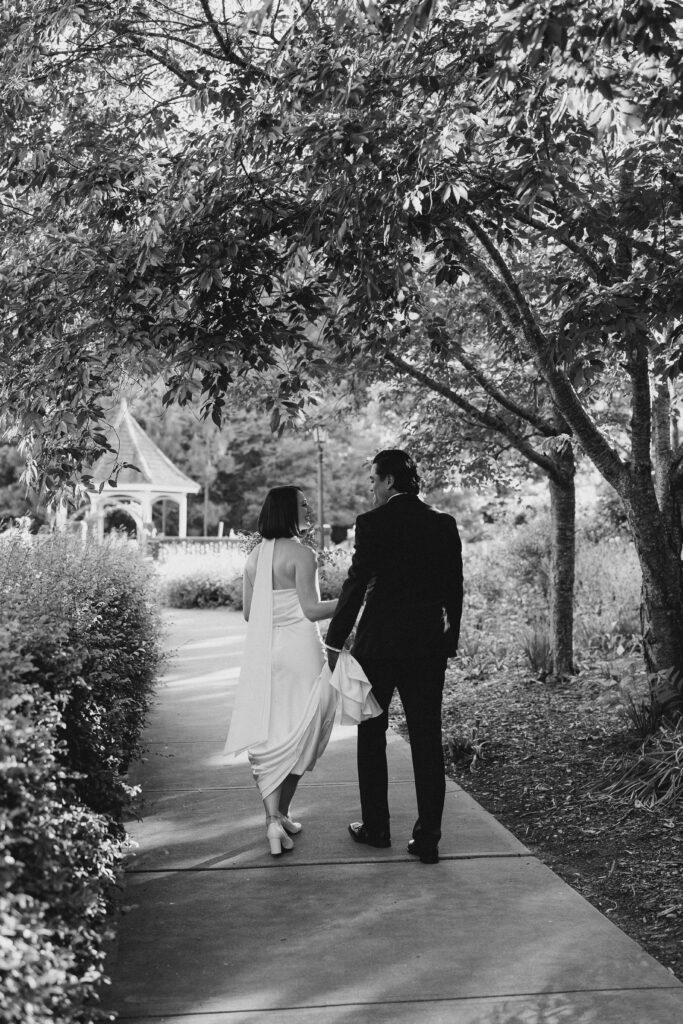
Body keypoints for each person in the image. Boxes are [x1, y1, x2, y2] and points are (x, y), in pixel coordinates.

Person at [324, 449, 463, 864]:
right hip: (426, 648)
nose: (370, 488)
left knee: (371, 734)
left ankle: (378, 828)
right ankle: (428, 840)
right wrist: (449, 641)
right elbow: (454, 589)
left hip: (378, 646)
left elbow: (355, 584)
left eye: (372, 480)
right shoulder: (443, 524)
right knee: (427, 739)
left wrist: (335, 641)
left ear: (387, 481)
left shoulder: (372, 524)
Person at [224, 486, 338, 856]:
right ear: (288, 510)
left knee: (270, 732)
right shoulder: (302, 554)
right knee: (304, 729)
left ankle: (277, 818)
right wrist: (356, 596)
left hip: (266, 653)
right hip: (301, 650)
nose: (309, 509)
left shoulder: (255, 556)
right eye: (304, 504)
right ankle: (279, 815)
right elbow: (313, 610)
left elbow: (247, 614)